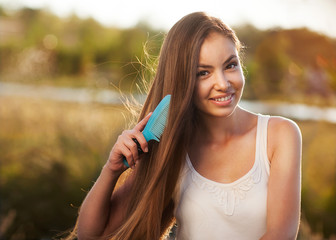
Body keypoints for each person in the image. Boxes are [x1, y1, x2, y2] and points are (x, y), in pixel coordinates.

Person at [74, 12, 302, 240]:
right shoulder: (169, 147)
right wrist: (111, 171)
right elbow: (91, 234)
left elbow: (280, 235)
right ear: (181, 80)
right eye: (203, 73)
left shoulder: (280, 136)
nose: (223, 84)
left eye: (230, 65)